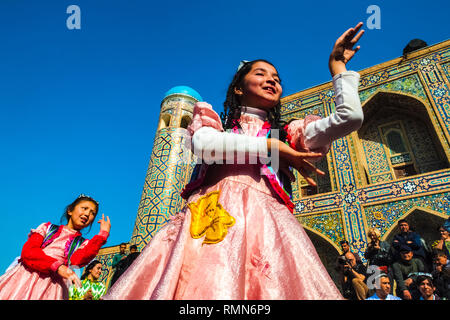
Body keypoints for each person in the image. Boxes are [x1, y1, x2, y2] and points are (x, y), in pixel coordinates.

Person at [104, 22, 365, 300]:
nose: (272, 80)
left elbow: (350, 118)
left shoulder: (290, 134)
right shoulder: (216, 126)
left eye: (276, 77)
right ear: (239, 88)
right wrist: (267, 146)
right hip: (210, 218)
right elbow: (205, 146)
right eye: (261, 73)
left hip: (267, 227)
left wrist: (338, 68)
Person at [0, 194, 111, 300]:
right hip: (25, 277)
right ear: (70, 210)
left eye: (92, 213)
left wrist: (102, 235)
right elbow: (29, 252)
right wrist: (57, 267)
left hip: (52, 287)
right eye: (84, 208)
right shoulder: (47, 228)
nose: (87, 214)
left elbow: (77, 261)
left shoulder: (82, 243)